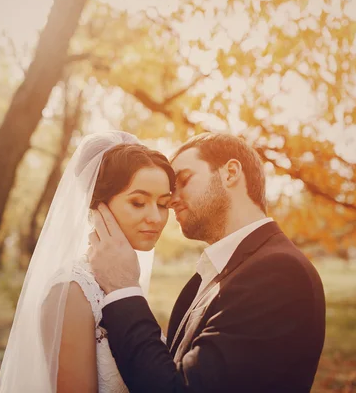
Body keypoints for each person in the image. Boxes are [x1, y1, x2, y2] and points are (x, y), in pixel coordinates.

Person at [89, 132, 326, 392]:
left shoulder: (279, 273)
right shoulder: (213, 274)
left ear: (230, 173)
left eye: (184, 180)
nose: (171, 198)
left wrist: (122, 289)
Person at [0, 130, 175, 392]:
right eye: (138, 202)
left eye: (163, 204)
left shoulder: (123, 280)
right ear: (97, 205)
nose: (156, 218)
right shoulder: (72, 291)